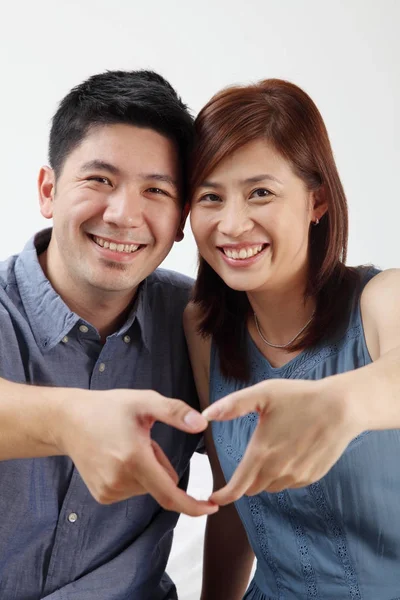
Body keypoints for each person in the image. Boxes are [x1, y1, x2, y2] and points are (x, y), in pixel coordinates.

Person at [0, 69, 219, 600]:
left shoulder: (196, 320)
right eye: (99, 180)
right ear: (49, 191)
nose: (124, 215)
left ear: (181, 218)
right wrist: (69, 419)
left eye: (156, 190)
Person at [185, 78, 400, 599]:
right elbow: (232, 503)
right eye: (211, 196)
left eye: (260, 192)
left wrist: (335, 404)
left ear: (317, 200)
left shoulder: (381, 298)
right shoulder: (203, 329)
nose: (232, 224)